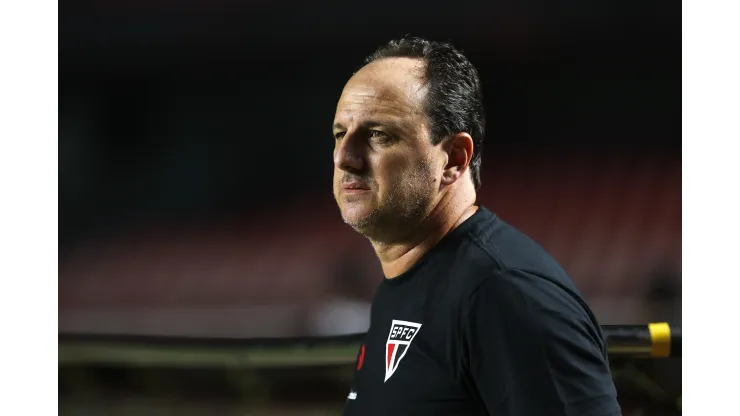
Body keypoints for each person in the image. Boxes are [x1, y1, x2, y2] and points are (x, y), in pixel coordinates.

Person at [332, 37, 621, 416]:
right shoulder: (410, 278)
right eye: (340, 134)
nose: (345, 157)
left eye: (379, 135)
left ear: (453, 159)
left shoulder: (505, 293)